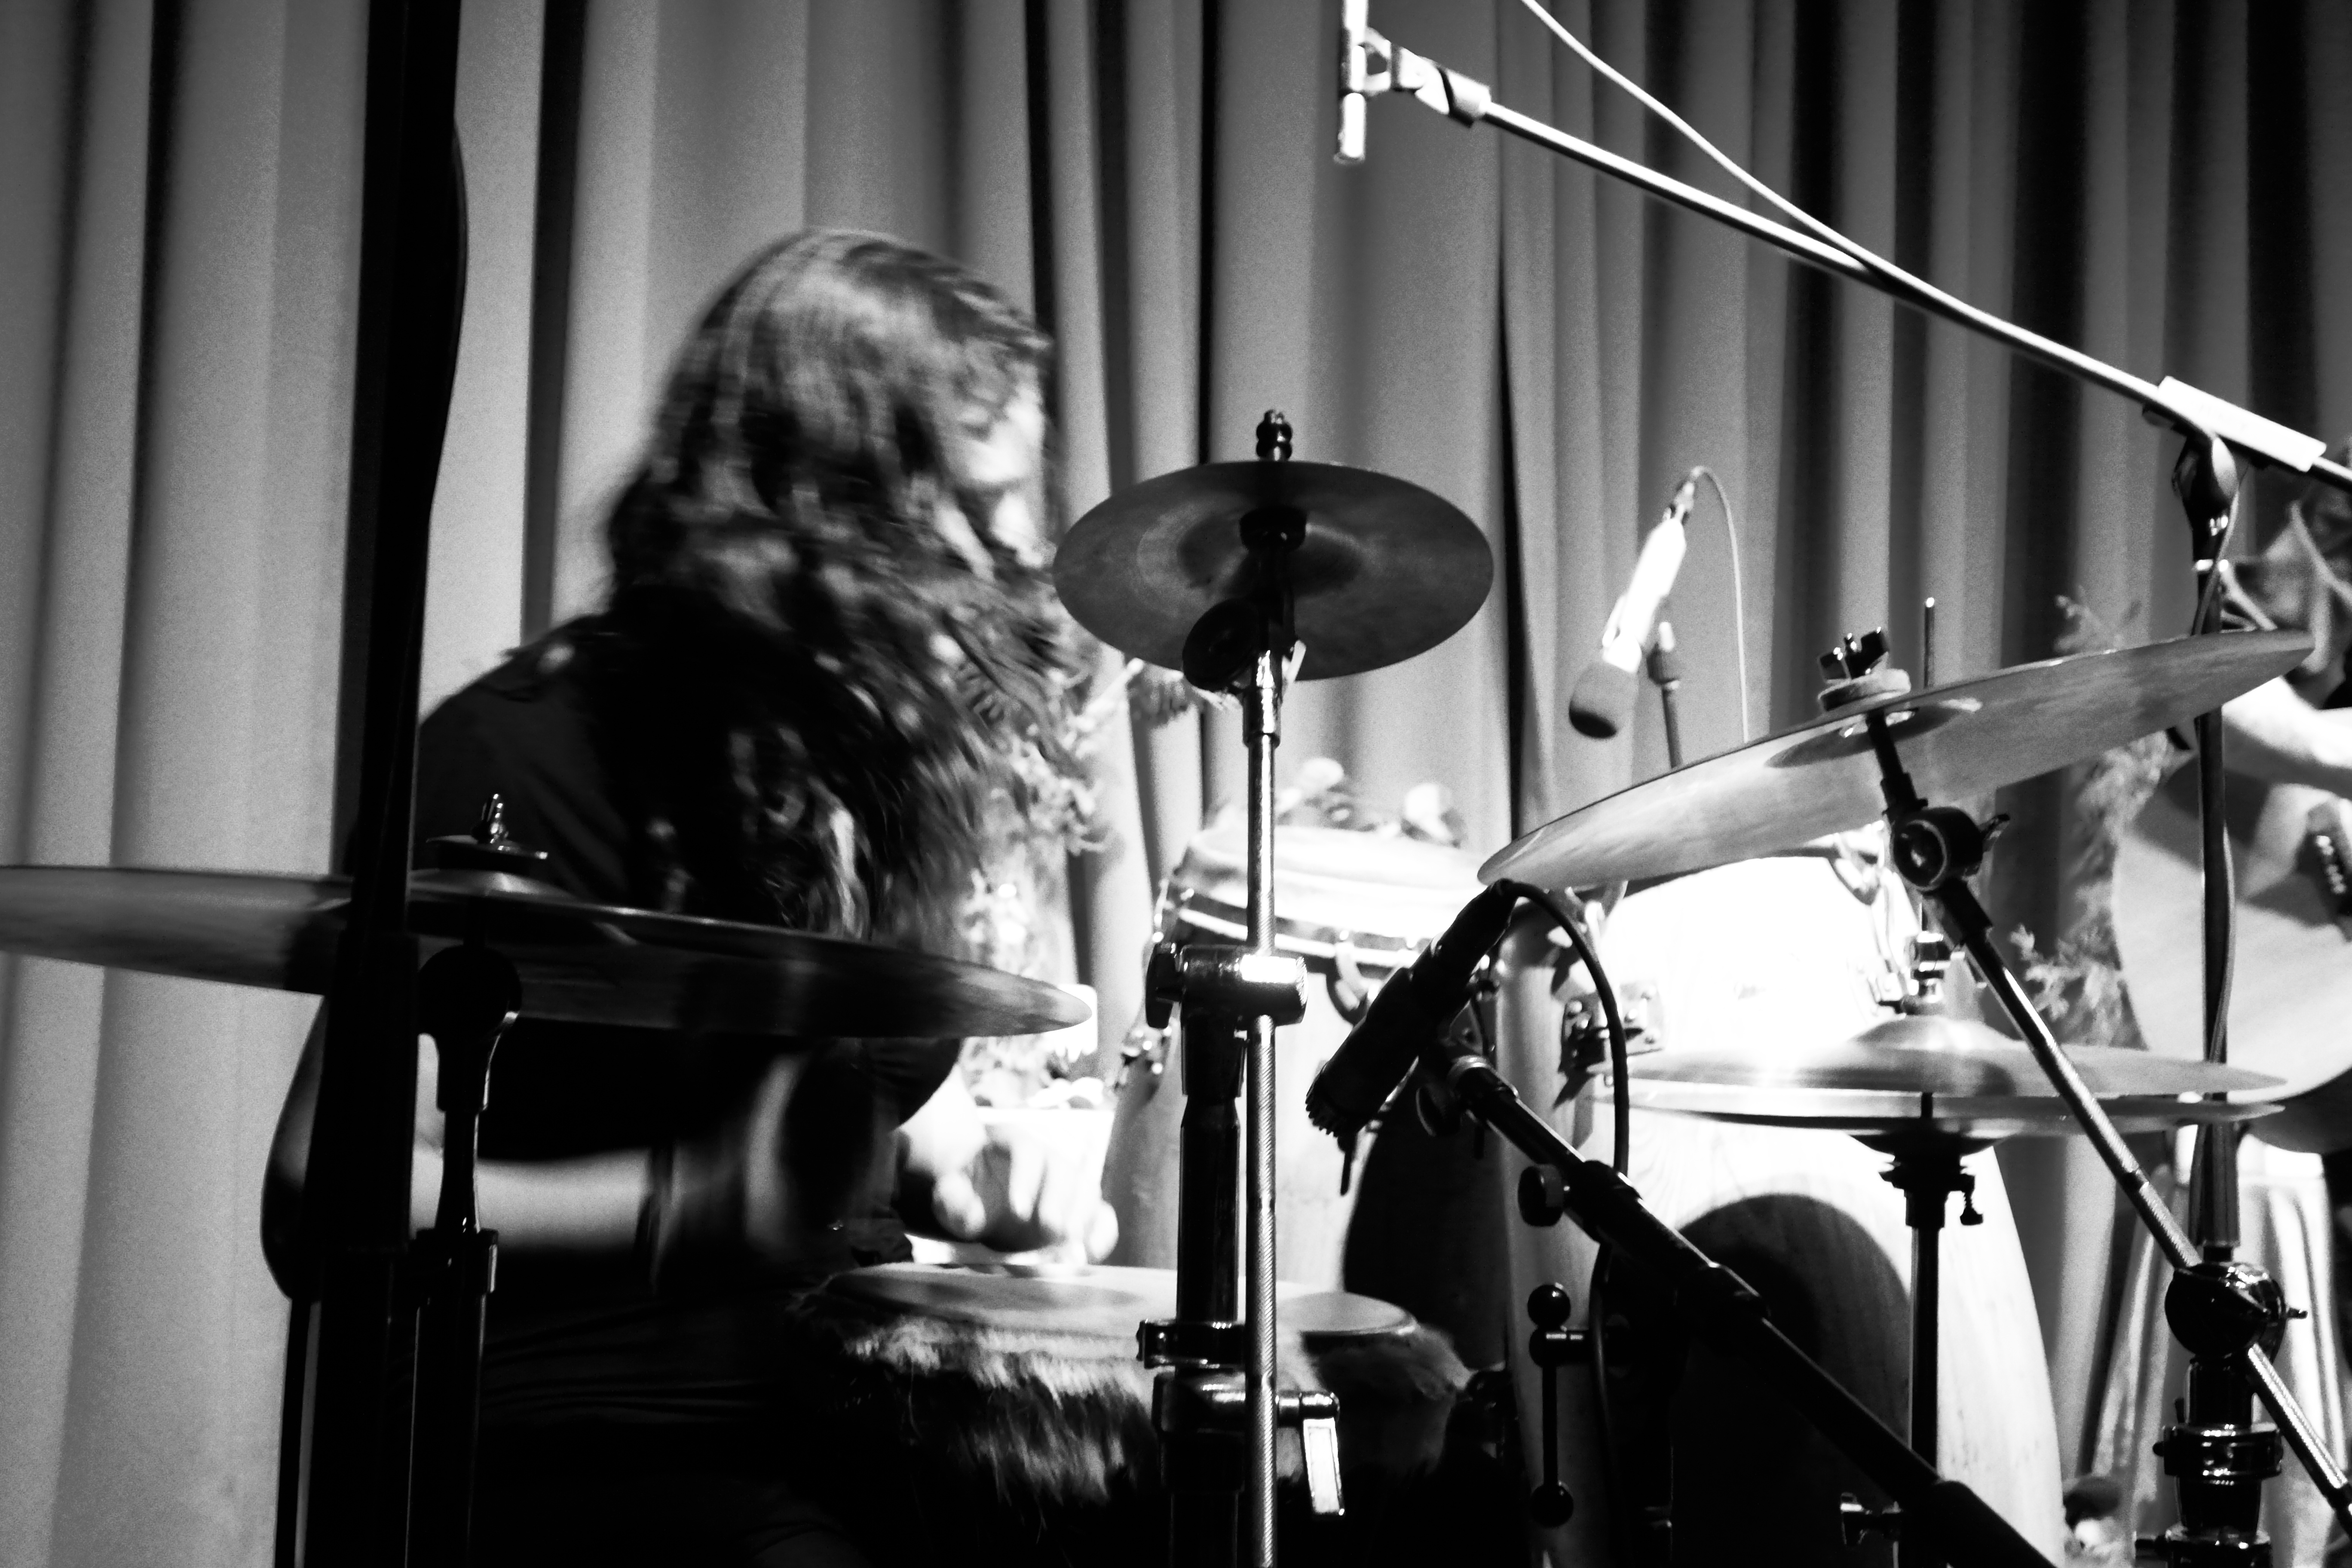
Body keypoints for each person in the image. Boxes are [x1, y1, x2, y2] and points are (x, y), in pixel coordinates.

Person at [263, 230, 1121, 1566]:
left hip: (839, 1413)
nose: (1018, 546)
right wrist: (685, 1202)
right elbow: (322, 1195)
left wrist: (973, 1175)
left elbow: (847, 1112)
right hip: (585, 1449)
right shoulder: (518, 755)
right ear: (821, 501)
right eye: (975, 498)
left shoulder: (874, 775)